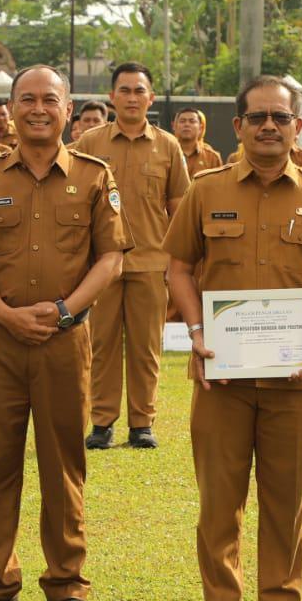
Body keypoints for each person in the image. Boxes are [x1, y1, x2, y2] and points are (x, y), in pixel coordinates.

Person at [164, 74, 302, 601]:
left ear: (297, 125)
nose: (269, 126)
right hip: (221, 375)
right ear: (239, 126)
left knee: (286, 496)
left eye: (280, 117)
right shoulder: (207, 190)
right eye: (258, 117)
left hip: (296, 377)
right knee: (219, 496)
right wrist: (196, 330)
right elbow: (178, 267)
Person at [0, 64, 129, 601]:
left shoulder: (94, 176)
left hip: (64, 341)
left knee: (63, 463)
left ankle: (66, 589)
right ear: (11, 109)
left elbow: (111, 257)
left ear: (68, 109)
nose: (38, 108)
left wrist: (66, 311)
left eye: (50, 99)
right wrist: (3, 314)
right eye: (27, 99)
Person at [74, 63, 191, 450]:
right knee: (101, 345)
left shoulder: (168, 146)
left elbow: (179, 208)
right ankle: (102, 421)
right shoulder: (90, 142)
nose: (131, 97)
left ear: (151, 98)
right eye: (124, 90)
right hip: (100, 266)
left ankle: (142, 422)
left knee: (146, 348)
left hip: (151, 262)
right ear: (112, 97)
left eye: (139, 90)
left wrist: (179, 264)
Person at [174, 108, 222, 176]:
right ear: (174, 126)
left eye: (192, 121)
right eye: (182, 121)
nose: (187, 124)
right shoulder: (166, 154)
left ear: (200, 128)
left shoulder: (212, 157)